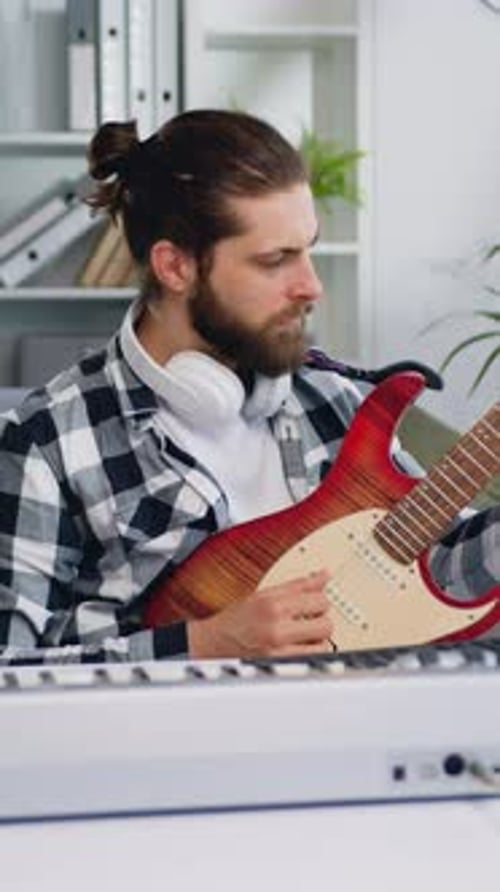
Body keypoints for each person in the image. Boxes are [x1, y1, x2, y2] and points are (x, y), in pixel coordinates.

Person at [0, 110, 498, 666]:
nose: (312, 286)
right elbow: (8, 672)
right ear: (176, 266)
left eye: (308, 248)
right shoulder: (49, 443)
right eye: (275, 260)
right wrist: (202, 644)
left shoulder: (331, 398)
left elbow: (437, 561)